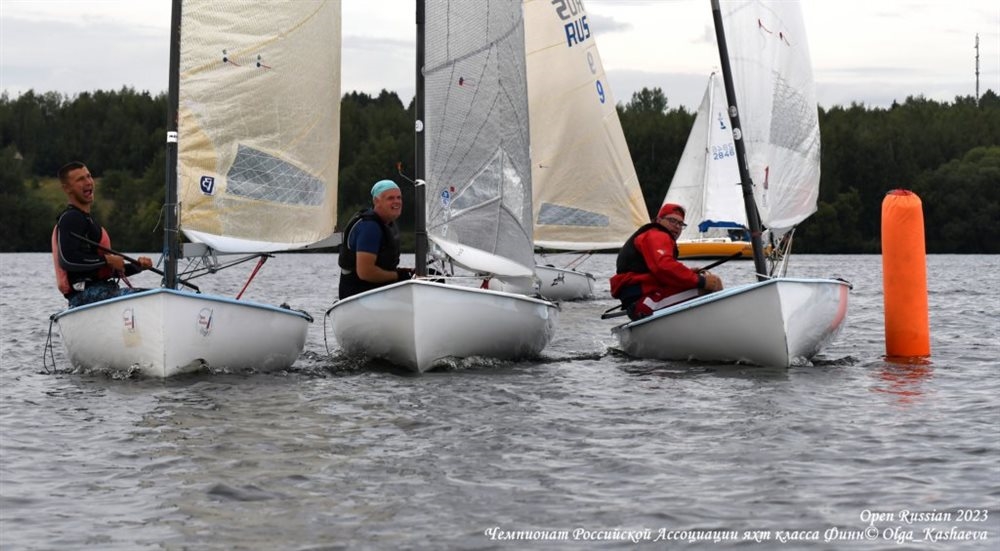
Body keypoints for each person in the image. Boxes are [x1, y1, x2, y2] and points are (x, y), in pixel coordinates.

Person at [52, 161, 154, 308]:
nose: (88, 182)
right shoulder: (71, 218)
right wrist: (107, 260)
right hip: (84, 296)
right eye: (80, 179)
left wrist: (137, 266)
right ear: (67, 188)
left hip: (103, 292)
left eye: (89, 176)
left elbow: (101, 270)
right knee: (153, 297)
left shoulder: (87, 220)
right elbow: (68, 259)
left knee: (156, 294)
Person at [610, 203, 723, 320]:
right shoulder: (657, 235)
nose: (677, 226)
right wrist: (700, 281)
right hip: (646, 302)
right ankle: (718, 323)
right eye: (672, 221)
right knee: (712, 284)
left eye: (680, 224)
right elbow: (664, 267)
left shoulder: (650, 235)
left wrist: (688, 273)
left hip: (641, 299)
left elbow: (660, 270)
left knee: (706, 282)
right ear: (659, 220)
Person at [338, 179, 414, 299]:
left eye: (399, 198)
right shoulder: (370, 227)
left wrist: (404, 273)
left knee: (432, 276)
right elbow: (365, 272)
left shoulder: (386, 224)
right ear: (376, 201)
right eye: (390, 198)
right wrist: (398, 275)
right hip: (358, 295)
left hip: (378, 290)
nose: (397, 202)